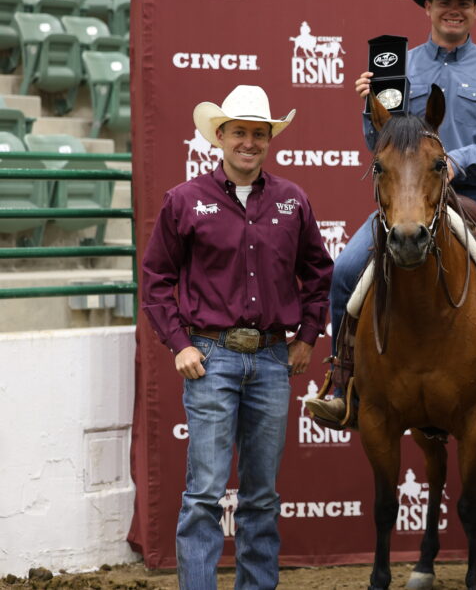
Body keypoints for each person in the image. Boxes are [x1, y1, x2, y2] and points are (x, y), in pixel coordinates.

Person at [303, 0, 476, 426]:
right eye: (444, 1)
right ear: (427, 7)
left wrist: (455, 162)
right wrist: (369, 107)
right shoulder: (397, 66)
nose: (453, 10)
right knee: (345, 270)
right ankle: (342, 382)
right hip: (409, 197)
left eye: (464, 2)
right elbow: (379, 144)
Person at [141, 85, 333, 589]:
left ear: (269, 139)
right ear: (220, 136)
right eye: (239, 132)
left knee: (262, 495)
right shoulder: (184, 200)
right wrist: (180, 344)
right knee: (204, 494)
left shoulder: (293, 201)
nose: (249, 142)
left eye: (259, 134)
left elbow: (319, 272)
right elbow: (156, 279)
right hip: (210, 356)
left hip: (272, 358)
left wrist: (307, 336)